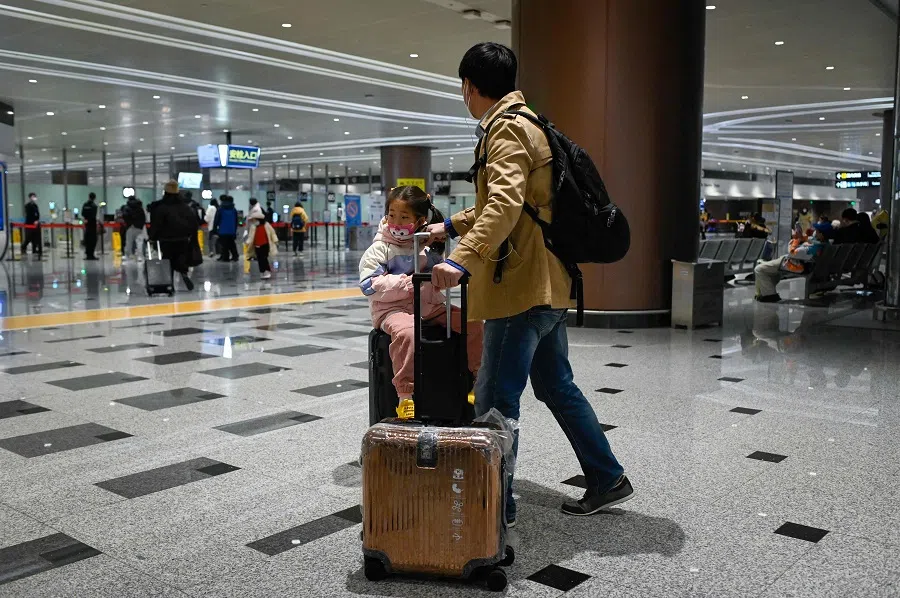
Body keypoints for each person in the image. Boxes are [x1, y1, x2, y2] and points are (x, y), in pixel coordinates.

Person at [426, 42, 631, 523]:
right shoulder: (528, 123)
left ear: (469, 86)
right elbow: (515, 201)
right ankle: (607, 477)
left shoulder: (504, 131)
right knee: (557, 386)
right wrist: (451, 225)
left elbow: (504, 205)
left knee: (495, 398)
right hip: (548, 285)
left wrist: (461, 258)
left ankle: (494, 505)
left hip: (518, 289)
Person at [359, 186, 483, 419]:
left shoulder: (428, 248)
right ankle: (405, 395)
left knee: (473, 323)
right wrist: (408, 283)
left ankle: (477, 377)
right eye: (392, 215)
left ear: (420, 221)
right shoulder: (379, 249)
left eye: (404, 217)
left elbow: (444, 280)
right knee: (408, 333)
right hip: (392, 310)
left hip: (430, 307)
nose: (396, 222)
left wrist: (443, 262)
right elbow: (368, 285)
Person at [754, 222, 831, 302]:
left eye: (817, 231)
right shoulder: (826, 245)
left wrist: (796, 240)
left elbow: (792, 253)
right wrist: (803, 239)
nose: (815, 233)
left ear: (821, 235)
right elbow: (811, 242)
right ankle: (768, 291)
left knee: (759, 268)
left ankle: (770, 295)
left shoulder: (814, 249)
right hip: (804, 264)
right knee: (768, 268)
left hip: (792, 264)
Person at [149, 180, 199, 291]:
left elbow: (157, 224)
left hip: (166, 240)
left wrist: (152, 237)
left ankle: (169, 282)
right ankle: (184, 273)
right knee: (181, 257)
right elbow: (194, 223)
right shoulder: (185, 207)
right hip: (183, 239)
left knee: (168, 260)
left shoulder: (161, 207)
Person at [246, 201, 278, 279]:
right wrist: (248, 242)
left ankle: (267, 271)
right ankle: (262, 271)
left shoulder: (266, 225)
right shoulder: (253, 227)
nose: (253, 221)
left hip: (265, 244)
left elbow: (272, 233)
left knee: (264, 258)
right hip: (257, 245)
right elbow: (251, 236)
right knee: (260, 259)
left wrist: (275, 240)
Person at [213, 195, 239, 262]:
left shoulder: (220, 209)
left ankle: (225, 258)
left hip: (223, 230)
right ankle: (235, 256)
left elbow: (216, 219)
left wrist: (215, 229)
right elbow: (236, 221)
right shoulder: (234, 209)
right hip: (232, 230)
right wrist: (235, 229)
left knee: (224, 244)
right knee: (232, 244)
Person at [123, 193, 147, 260]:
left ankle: (128, 255)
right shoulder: (140, 207)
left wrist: (129, 223)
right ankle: (140, 256)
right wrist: (141, 225)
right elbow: (144, 218)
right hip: (139, 227)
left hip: (130, 227)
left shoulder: (127, 207)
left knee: (129, 242)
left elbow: (125, 216)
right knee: (139, 242)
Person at [21, 193, 42, 258]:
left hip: (35, 224)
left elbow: (38, 214)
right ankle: (23, 247)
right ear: (30, 197)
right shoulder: (27, 206)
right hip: (29, 224)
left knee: (35, 237)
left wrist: (37, 220)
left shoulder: (35, 205)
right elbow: (29, 215)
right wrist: (33, 221)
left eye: (35, 197)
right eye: (33, 197)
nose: (34, 198)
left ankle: (34, 250)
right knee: (28, 237)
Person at [81, 192, 99, 260]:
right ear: (94, 198)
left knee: (87, 239)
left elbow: (82, 213)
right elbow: (93, 215)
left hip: (86, 224)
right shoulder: (94, 206)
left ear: (89, 197)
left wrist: (86, 218)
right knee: (93, 239)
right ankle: (91, 254)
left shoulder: (85, 205)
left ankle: (88, 254)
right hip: (92, 224)